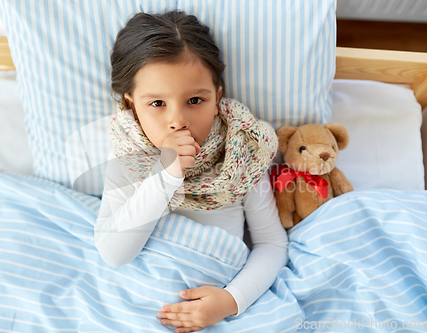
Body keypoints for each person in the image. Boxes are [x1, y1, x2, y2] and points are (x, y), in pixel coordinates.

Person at [94, 10, 289, 333]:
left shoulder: (240, 153)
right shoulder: (128, 157)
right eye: (157, 104)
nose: (178, 120)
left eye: (195, 100)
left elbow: (271, 244)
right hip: (138, 305)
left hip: (218, 310)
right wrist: (165, 175)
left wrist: (231, 300)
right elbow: (113, 254)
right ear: (131, 106)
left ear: (217, 99)